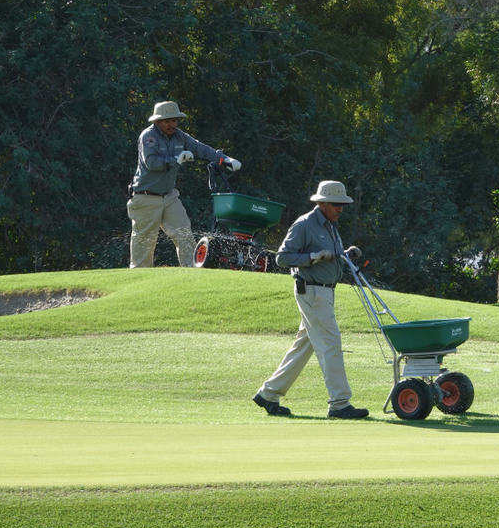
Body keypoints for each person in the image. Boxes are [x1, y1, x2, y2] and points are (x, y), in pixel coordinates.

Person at [252, 180, 368, 419]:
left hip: (324, 292)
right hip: (312, 291)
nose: (340, 209)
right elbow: (282, 258)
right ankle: (339, 403)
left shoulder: (330, 225)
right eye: (336, 204)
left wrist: (345, 254)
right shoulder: (305, 224)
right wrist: (314, 257)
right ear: (322, 202)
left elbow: (331, 256)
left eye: (342, 204)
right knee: (331, 344)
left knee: (303, 347)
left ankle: (268, 394)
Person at [127, 101, 242, 268]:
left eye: (175, 120)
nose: (172, 124)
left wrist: (225, 160)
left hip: (169, 196)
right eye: (167, 121)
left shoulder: (180, 136)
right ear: (157, 121)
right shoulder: (148, 136)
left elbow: (200, 148)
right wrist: (175, 160)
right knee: (144, 243)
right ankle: (138, 282)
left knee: (185, 235)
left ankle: (191, 275)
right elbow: (151, 162)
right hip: (146, 198)